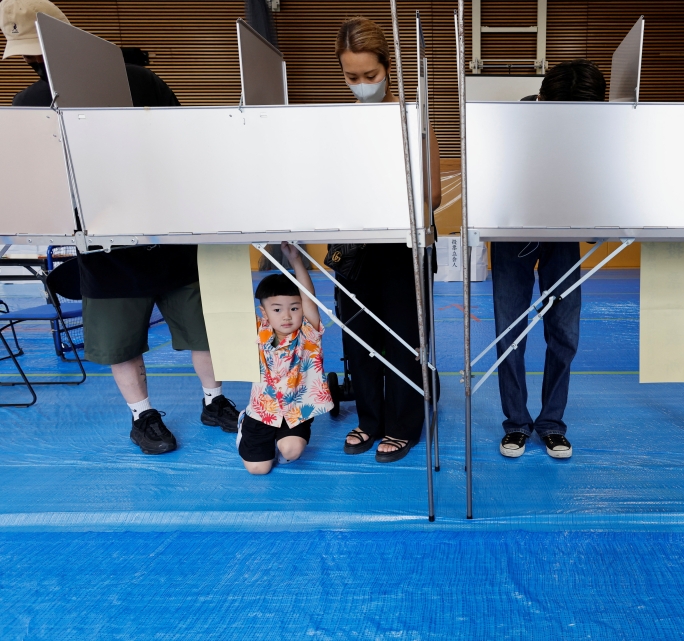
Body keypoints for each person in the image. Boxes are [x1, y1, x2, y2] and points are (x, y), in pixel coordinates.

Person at [1, 0, 239, 454]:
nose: (36, 64)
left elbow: (186, 145)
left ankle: (215, 399)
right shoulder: (29, 104)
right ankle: (142, 414)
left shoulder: (139, 81)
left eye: (41, 53)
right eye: (30, 57)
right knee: (118, 338)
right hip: (102, 244)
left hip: (169, 234)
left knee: (201, 325)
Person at [335, 16, 441, 463]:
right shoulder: (337, 125)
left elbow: (433, 192)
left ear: (387, 68)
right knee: (358, 339)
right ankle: (370, 418)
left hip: (402, 248)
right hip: (354, 251)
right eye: (351, 77)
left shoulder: (412, 118)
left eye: (370, 76)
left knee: (403, 340)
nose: (361, 85)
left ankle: (403, 424)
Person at [492, 59, 606, 460]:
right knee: (510, 334)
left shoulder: (592, 127)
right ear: (543, 100)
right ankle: (517, 423)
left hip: (564, 234)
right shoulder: (510, 125)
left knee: (564, 333)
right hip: (513, 236)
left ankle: (552, 423)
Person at [238, 242, 332, 474]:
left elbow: (309, 298)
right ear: (265, 313)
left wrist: (296, 261)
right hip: (262, 413)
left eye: (294, 308)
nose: (287, 316)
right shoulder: (258, 331)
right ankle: (244, 425)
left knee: (290, 451)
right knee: (258, 469)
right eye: (277, 309)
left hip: (294, 413)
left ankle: (283, 442)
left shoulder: (308, 333)